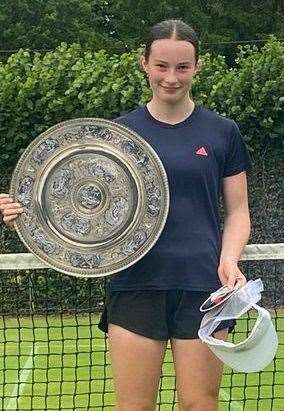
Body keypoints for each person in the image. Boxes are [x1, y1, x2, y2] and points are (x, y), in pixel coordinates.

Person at [0, 19, 251, 411]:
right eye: (162, 65)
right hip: (135, 285)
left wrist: (229, 259)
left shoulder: (222, 132)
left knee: (200, 404)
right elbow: (74, 197)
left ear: (198, 67)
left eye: (182, 67)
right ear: (144, 64)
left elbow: (238, 212)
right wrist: (23, 210)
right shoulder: (116, 135)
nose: (171, 77)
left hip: (205, 288)